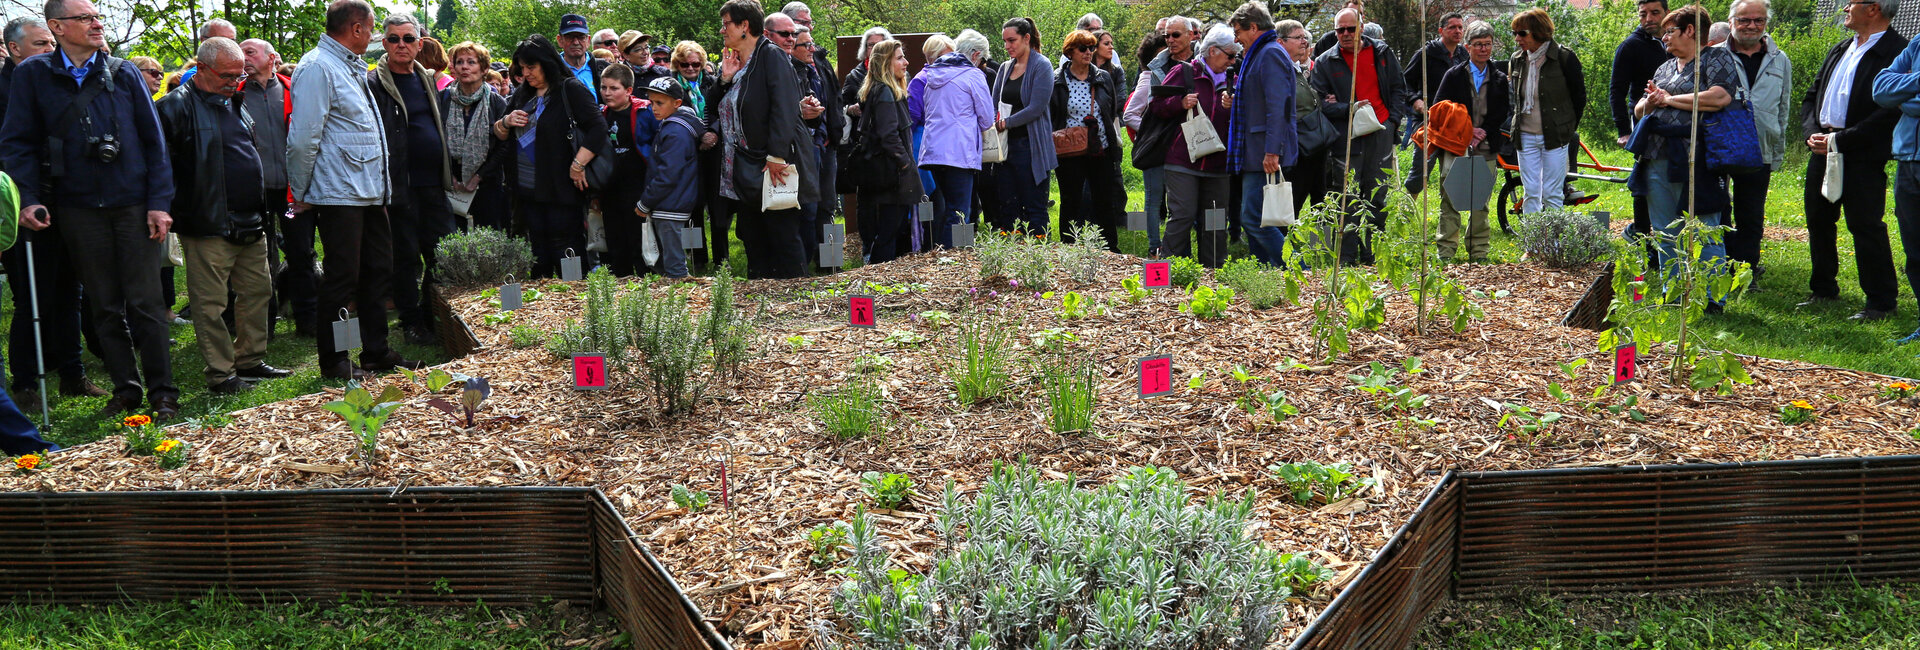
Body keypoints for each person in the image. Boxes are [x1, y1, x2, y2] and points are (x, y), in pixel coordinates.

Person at [1, 0, 180, 418]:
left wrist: (158, 204)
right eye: (86, 18)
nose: (97, 23)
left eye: (98, 16)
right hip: (77, 207)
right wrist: (28, 198)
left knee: (146, 303)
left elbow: (155, 144)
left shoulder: (124, 72)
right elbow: (17, 142)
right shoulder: (33, 75)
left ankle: (162, 393)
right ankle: (127, 390)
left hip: (133, 204)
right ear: (57, 27)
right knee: (102, 304)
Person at [288, 0, 421, 379]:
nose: (376, 35)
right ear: (357, 28)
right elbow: (302, 138)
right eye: (374, 28)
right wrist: (300, 190)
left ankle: (376, 352)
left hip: (368, 191)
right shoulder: (317, 67)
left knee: (379, 270)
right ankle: (335, 360)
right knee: (342, 278)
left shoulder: (347, 66)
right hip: (338, 193)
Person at [156, 37, 292, 395]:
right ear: (200, 69)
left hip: (251, 218)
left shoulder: (235, 99)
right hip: (208, 222)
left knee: (258, 292)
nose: (235, 81)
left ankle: (250, 359)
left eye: (240, 74)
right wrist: (172, 210)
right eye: (227, 75)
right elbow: (160, 167)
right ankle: (220, 373)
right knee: (211, 303)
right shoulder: (174, 108)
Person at [0, 15, 101, 409]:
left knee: (70, 292)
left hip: (68, 199)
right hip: (22, 206)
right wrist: (23, 198)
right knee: (32, 298)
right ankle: (26, 379)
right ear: (15, 49)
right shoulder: (5, 89)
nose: (49, 50)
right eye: (41, 44)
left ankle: (72, 374)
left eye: (49, 43)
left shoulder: (55, 80)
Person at [1800, 0, 1906, 322]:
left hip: (1863, 152)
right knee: (1818, 218)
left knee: (1865, 224)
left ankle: (1880, 301)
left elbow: (1890, 110)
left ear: (1873, 9)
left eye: (1852, 3)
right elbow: (1812, 94)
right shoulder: (1841, 47)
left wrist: (1843, 139)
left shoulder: (1897, 51)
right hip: (1823, 147)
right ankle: (1823, 289)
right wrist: (1813, 132)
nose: (1845, 7)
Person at [1633, 4, 1738, 311]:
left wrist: (1668, 99)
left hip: (1698, 157)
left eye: (1669, 31)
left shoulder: (1716, 58)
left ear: (1690, 30)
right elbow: (1640, 109)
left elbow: (1719, 97)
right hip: (1657, 155)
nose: (1664, 37)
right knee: (1666, 231)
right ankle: (1675, 295)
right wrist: (1652, 102)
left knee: (1704, 229)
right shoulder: (1665, 68)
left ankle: (1711, 299)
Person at [370, 13, 457, 346]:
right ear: (384, 42)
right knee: (405, 257)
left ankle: (430, 311)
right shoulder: (374, 83)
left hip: (433, 182)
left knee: (443, 251)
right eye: (394, 39)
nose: (401, 45)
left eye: (408, 39)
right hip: (399, 184)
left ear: (420, 44)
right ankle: (411, 321)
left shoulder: (426, 78)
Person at [713, 0, 815, 279]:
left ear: (745, 26)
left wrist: (776, 156)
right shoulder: (735, 64)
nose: (722, 30)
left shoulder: (771, 56)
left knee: (783, 234)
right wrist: (724, 78)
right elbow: (713, 109)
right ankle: (761, 301)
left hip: (770, 164)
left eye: (726, 24)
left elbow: (784, 109)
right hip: (743, 169)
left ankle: (798, 297)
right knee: (753, 237)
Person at [494, 35, 604, 279]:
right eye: (522, 68)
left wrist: (578, 165)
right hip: (527, 188)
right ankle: (544, 307)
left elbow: (598, 129)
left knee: (567, 248)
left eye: (531, 67)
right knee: (538, 252)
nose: (526, 73)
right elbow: (498, 133)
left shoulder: (570, 88)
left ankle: (576, 301)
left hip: (561, 187)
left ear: (547, 63)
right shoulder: (523, 94)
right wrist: (506, 121)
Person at [1312, 7, 1409, 265]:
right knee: (1347, 195)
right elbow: (1319, 103)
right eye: (1339, 30)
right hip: (1346, 137)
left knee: (1377, 194)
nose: (1345, 34)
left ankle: (1372, 255)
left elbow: (1399, 88)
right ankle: (1345, 257)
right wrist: (1349, 107)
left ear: (1361, 28)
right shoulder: (1324, 61)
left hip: (1380, 132)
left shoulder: (1382, 53)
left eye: (1350, 29)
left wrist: (1392, 121)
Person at [1154, 25, 1241, 268]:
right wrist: (1179, 103)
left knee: (1214, 221)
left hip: (1217, 165)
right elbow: (1156, 107)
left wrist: (1234, 108)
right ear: (1212, 51)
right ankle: (1168, 272)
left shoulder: (1235, 78)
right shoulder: (1184, 72)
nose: (1233, 61)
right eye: (1230, 55)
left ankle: (1213, 272)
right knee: (1182, 216)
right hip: (1182, 161)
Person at [1716, 0, 1792, 278]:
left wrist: (1777, 152)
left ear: (1766, 23)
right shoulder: (1713, 56)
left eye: (1758, 20)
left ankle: (1746, 272)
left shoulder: (1780, 59)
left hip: (1760, 149)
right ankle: (1720, 268)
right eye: (1744, 20)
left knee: (1751, 215)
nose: (1751, 26)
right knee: (1717, 210)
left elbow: (1783, 109)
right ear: (1732, 21)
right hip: (1719, 148)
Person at [239, 38, 303, 335]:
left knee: (301, 251)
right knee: (259, 259)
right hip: (255, 192)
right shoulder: (234, 94)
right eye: (240, 53)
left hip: (293, 191)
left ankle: (307, 317)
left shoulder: (294, 89)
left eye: (249, 52)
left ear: (271, 57)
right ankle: (266, 322)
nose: (243, 58)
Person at [1432, 20, 1510, 263]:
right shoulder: (1454, 75)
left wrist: (1483, 131)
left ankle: (1479, 253)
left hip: (1486, 146)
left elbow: (1503, 110)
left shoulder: (1498, 77)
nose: (1483, 49)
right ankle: (1445, 252)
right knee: (1451, 198)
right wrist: (1467, 129)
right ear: (1468, 46)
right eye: (1478, 44)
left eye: (1487, 44)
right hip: (1455, 146)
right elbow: (1439, 108)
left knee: (1480, 200)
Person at [1227, 3, 1296, 269]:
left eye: (1238, 31)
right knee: (1260, 218)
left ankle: (1297, 272)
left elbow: (1278, 108)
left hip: (1263, 151)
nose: (1236, 38)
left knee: (1253, 217)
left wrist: (1272, 151)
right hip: (1255, 150)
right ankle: (1268, 272)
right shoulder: (1260, 53)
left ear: (1253, 27)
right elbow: (1258, 101)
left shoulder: (1269, 54)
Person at [918, 30, 996, 249]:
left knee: (946, 207)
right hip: (959, 152)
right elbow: (987, 118)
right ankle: (956, 259)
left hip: (933, 150)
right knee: (961, 210)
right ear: (976, 55)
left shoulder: (933, 74)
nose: (982, 64)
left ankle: (944, 254)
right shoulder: (973, 76)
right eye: (983, 60)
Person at [1872, 11, 1920, 345]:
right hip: (1908, 160)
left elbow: (1899, 97)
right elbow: (1881, 90)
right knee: (1916, 250)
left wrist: (1906, 95)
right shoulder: (1917, 44)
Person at [1508, 8, 1584, 216]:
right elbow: (1515, 98)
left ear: (1539, 31)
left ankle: (1552, 246)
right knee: (1531, 192)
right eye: (1514, 33)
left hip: (1555, 136)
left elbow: (1579, 99)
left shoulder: (1564, 58)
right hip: (1525, 136)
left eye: (1522, 33)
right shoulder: (1517, 59)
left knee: (1552, 193)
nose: (1517, 39)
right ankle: (1533, 246)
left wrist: (1567, 128)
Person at [1051, 30, 1121, 251]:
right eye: (1083, 48)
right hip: (1069, 151)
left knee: (1104, 201)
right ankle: (1069, 247)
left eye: (1091, 48)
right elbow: (1054, 114)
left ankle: (1109, 249)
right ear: (1070, 52)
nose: (1089, 52)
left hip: (1100, 148)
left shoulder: (1103, 77)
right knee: (1071, 201)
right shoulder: (1057, 80)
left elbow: (1111, 110)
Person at [856, 39, 922, 264]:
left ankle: (886, 276)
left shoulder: (885, 89)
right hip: (891, 172)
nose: (906, 62)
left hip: (889, 170)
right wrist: (905, 164)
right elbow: (888, 135)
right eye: (900, 58)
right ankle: (878, 276)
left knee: (893, 227)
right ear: (885, 63)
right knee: (889, 229)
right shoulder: (884, 91)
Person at [1612, 0, 1674, 237]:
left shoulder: (1675, 40)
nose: (1649, 18)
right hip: (1643, 119)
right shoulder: (1631, 46)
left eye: (1655, 12)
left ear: (1666, 13)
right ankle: (1640, 233)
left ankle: (1670, 230)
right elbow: (1617, 89)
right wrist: (1623, 130)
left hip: (1675, 119)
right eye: (1643, 14)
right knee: (1643, 176)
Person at [993, 17, 1057, 235]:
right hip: (1005, 147)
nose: (1007, 46)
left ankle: (1038, 253)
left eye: (1012, 40)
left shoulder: (1042, 65)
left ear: (1026, 38)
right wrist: (996, 121)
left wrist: (1006, 123)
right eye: (1004, 41)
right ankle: (1011, 256)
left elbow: (1036, 108)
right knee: (1008, 206)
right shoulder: (1004, 68)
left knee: (1034, 205)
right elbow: (995, 103)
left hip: (1032, 145)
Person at [638, 76, 704, 278]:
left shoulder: (675, 132)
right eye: (651, 102)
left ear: (676, 103)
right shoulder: (672, 125)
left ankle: (681, 298)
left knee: (674, 262)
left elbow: (667, 175)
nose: (654, 108)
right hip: (671, 202)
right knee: (669, 257)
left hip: (670, 204)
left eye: (660, 103)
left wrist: (645, 203)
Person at [597, 63, 658, 277]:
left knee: (638, 236)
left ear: (629, 90)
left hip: (638, 184)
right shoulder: (601, 114)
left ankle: (645, 278)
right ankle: (620, 280)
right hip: (610, 187)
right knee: (615, 237)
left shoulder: (645, 110)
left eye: (614, 88)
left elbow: (658, 141)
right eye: (604, 88)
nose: (607, 93)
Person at [443, 40, 510, 232]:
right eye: (459, 62)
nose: (464, 67)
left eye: (471, 62)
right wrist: (450, 176)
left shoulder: (496, 103)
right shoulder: (443, 98)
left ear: (484, 69)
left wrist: (479, 176)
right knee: (453, 239)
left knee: (488, 236)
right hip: (451, 183)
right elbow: (438, 140)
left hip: (488, 181)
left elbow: (504, 146)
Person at [840, 26, 892, 256]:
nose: (875, 49)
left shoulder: (897, 71)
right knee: (866, 202)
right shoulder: (855, 75)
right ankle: (868, 249)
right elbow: (842, 105)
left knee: (891, 201)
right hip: (865, 147)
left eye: (879, 44)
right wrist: (851, 109)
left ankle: (890, 249)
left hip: (890, 146)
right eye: (871, 45)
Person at [1402, 12, 1466, 195]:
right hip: (1428, 121)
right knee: (1419, 173)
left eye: (1460, 27)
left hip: (1454, 124)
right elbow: (1404, 82)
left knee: (1452, 174)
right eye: (1452, 27)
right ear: (1441, 30)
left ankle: (1447, 220)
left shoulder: (1463, 55)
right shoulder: (1426, 54)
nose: (1457, 31)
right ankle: (1405, 217)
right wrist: (1415, 100)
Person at [791, 26, 835, 264]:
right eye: (806, 45)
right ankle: (803, 265)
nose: (812, 49)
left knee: (822, 206)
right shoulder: (789, 71)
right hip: (799, 148)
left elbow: (827, 105)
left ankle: (826, 261)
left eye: (812, 43)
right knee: (805, 210)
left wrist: (821, 136)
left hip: (818, 144)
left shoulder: (814, 70)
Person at [1122, 31, 1169, 255]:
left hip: (1172, 150)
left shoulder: (1172, 73)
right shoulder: (1148, 77)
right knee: (1153, 198)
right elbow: (1130, 114)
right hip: (1155, 150)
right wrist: (1154, 134)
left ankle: (1171, 246)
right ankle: (1154, 246)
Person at [908, 35, 954, 253]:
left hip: (942, 141)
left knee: (943, 196)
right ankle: (928, 246)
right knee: (932, 198)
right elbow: (913, 115)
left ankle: (939, 245)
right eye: (948, 53)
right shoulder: (921, 80)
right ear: (937, 56)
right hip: (923, 141)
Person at [1280, 20, 1326, 218]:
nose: (1304, 42)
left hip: (1314, 148)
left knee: (1321, 201)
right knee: (1292, 202)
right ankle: (1285, 246)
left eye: (1305, 38)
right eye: (1298, 38)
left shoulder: (1297, 69)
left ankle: (1320, 245)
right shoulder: (1280, 70)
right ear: (1280, 42)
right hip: (1295, 149)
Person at [557, 14, 610, 101]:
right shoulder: (551, 70)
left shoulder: (605, 69)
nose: (576, 42)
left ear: (588, 40)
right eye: (570, 37)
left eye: (581, 37)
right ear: (560, 40)